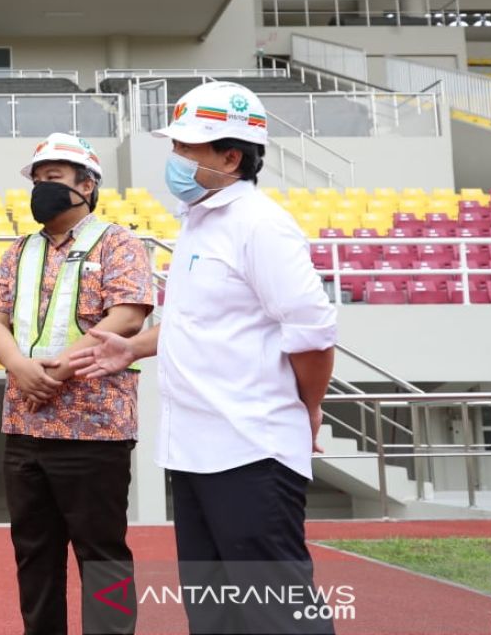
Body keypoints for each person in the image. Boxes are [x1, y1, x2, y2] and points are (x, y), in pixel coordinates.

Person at [70, 82, 338, 634]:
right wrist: (132, 346)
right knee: (214, 615)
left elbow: (312, 332)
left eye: (187, 150)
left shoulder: (259, 225)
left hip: (251, 450)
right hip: (195, 453)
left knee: (279, 616)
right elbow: (195, 323)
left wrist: (307, 407)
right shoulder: (198, 223)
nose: (175, 161)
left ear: (231, 156)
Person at [0, 132, 154, 635]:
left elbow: (127, 317)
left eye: (52, 178)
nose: (40, 187)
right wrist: (20, 367)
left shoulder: (119, 242)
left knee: (102, 555)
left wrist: (58, 368)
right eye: (36, 179)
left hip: (94, 429)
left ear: (87, 185)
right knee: (34, 555)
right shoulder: (20, 250)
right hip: (24, 425)